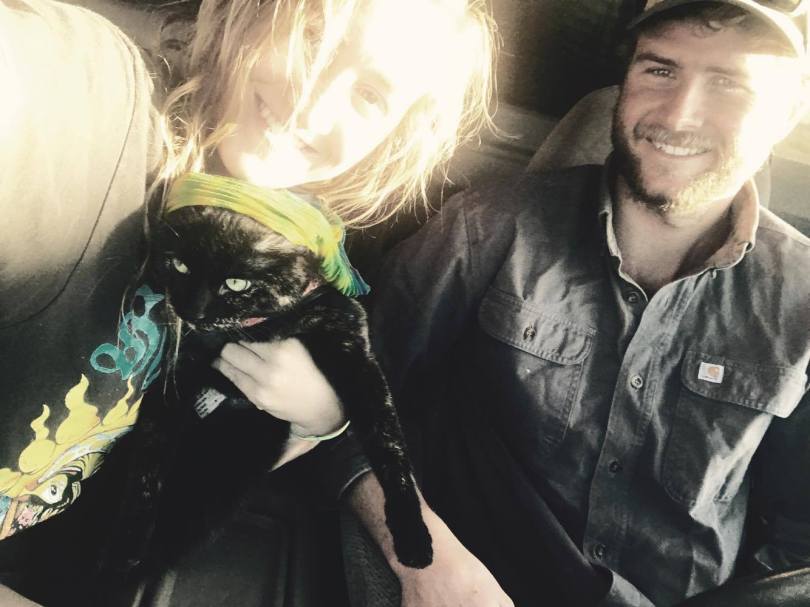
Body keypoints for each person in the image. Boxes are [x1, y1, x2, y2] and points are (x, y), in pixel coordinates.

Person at [0, 0, 496, 604]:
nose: (313, 103)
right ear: (250, 12)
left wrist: (320, 421)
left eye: (370, 95)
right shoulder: (88, 98)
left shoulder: (298, 238)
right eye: (311, 37)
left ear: (393, 137)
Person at [326, 1, 810, 606]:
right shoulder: (486, 229)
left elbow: (799, 541)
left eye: (729, 84)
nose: (678, 114)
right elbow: (342, 413)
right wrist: (421, 560)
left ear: (785, 114)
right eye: (660, 70)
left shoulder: (802, 297)